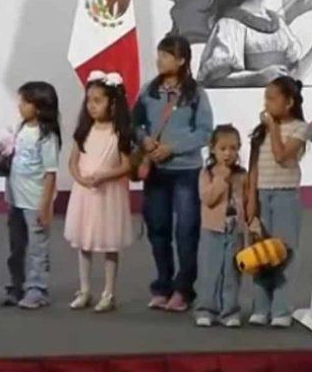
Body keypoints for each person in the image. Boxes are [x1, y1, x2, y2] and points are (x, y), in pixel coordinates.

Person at [133, 35, 214, 313]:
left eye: (166, 55)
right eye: (159, 54)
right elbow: (135, 123)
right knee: (158, 229)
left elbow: (205, 132)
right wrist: (144, 141)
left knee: (186, 231)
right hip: (156, 172)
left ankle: (184, 290)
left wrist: (173, 148)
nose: (160, 60)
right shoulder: (148, 91)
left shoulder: (196, 94)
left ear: (181, 60)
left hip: (186, 172)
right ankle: (162, 286)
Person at [64, 71, 135, 312]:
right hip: (85, 193)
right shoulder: (84, 130)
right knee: (84, 241)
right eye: (89, 100)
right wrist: (80, 179)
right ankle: (84, 289)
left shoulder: (118, 133)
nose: (92, 106)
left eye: (98, 101)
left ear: (112, 103)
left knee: (109, 242)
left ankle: (109, 292)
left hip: (109, 194)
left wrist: (105, 175)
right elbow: (73, 162)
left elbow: (126, 165)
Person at [248, 76, 308, 328]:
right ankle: (260, 307)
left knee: (283, 252)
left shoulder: (299, 128)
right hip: (262, 195)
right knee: (261, 252)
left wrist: (273, 128)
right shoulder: (260, 131)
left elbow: (282, 156)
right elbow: (253, 168)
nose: (267, 104)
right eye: (266, 99)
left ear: (289, 102)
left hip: (285, 195)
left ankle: (281, 309)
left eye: (272, 99)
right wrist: (251, 201)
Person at [1, 81, 61, 310]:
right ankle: (16, 285)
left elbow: (50, 174)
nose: (20, 106)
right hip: (15, 199)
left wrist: (45, 205)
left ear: (39, 106)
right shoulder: (19, 128)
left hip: (35, 201)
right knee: (16, 247)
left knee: (37, 248)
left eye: (25, 102)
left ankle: (37, 289)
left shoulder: (46, 137)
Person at [194, 124, 250, 328]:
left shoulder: (242, 175)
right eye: (223, 148)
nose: (228, 153)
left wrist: (250, 225)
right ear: (213, 149)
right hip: (212, 230)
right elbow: (207, 199)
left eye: (233, 148)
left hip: (235, 231)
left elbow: (247, 202)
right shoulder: (207, 174)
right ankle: (206, 309)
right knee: (209, 272)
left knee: (231, 272)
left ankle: (230, 311)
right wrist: (221, 179)